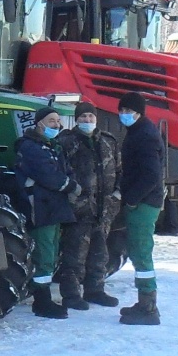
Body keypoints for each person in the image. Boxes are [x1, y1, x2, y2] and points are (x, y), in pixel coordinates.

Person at [15, 110, 79, 319]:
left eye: (58, 121)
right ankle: (41, 301)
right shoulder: (30, 147)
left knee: (50, 254)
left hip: (54, 208)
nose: (56, 125)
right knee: (43, 254)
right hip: (41, 208)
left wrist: (67, 183)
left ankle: (44, 298)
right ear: (39, 124)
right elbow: (49, 175)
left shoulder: (53, 146)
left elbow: (65, 170)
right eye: (52, 121)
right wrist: (70, 186)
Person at [57, 101, 122, 309]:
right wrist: (73, 198)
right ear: (77, 119)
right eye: (83, 117)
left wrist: (116, 197)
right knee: (74, 254)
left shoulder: (108, 142)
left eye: (91, 117)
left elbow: (119, 170)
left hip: (104, 209)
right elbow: (60, 173)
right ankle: (71, 294)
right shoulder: (66, 142)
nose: (87, 121)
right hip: (78, 209)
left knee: (100, 254)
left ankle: (95, 290)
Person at [117, 91, 164, 325]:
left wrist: (133, 199)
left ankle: (148, 308)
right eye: (122, 110)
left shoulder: (144, 136)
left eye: (129, 111)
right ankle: (145, 302)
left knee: (141, 252)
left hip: (144, 202)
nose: (124, 115)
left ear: (139, 113)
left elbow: (151, 175)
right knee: (138, 251)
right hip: (143, 200)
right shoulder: (139, 131)